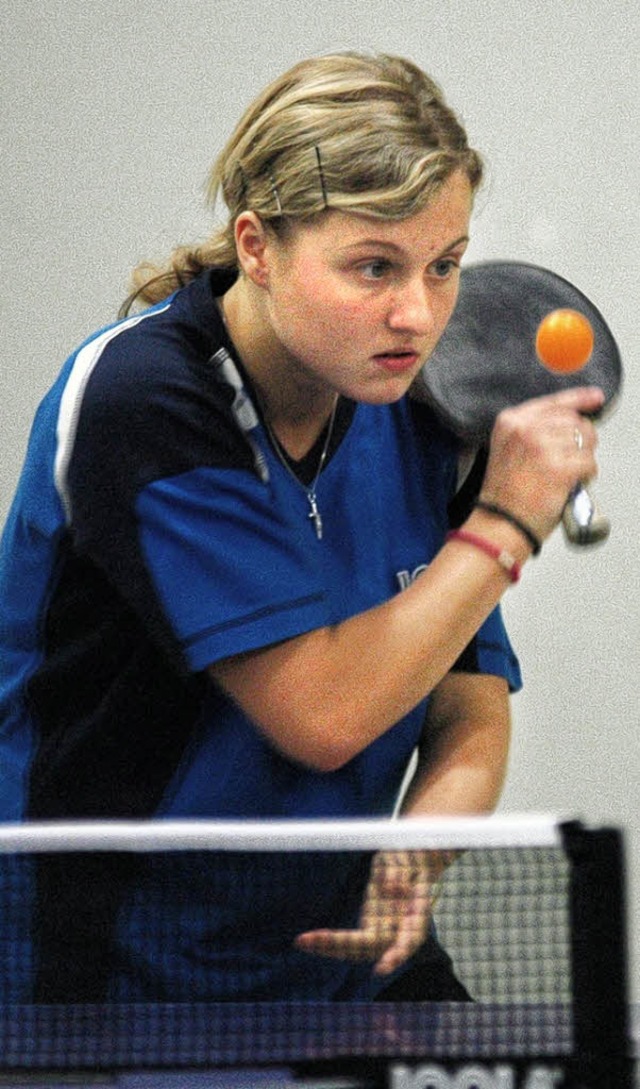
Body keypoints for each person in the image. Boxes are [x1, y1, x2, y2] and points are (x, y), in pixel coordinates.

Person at [0, 51, 602, 1004]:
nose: (418, 312)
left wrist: (422, 843)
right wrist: (504, 524)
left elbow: (468, 696)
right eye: (373, 266)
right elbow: (322, 712)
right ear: (256, 245)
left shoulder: (413, 396)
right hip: (114, 975)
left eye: (444, 265)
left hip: (339, 958)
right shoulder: (143, 404)